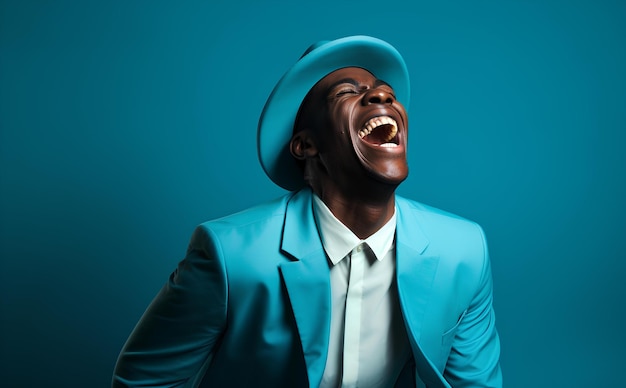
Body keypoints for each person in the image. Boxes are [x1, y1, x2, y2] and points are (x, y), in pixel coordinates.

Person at [113, 35, 502, 387]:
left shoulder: (463, 251)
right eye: (347, 92)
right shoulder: (231, 256)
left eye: (386, 92)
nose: (382, 97)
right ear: (305, 146)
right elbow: (143, 383)